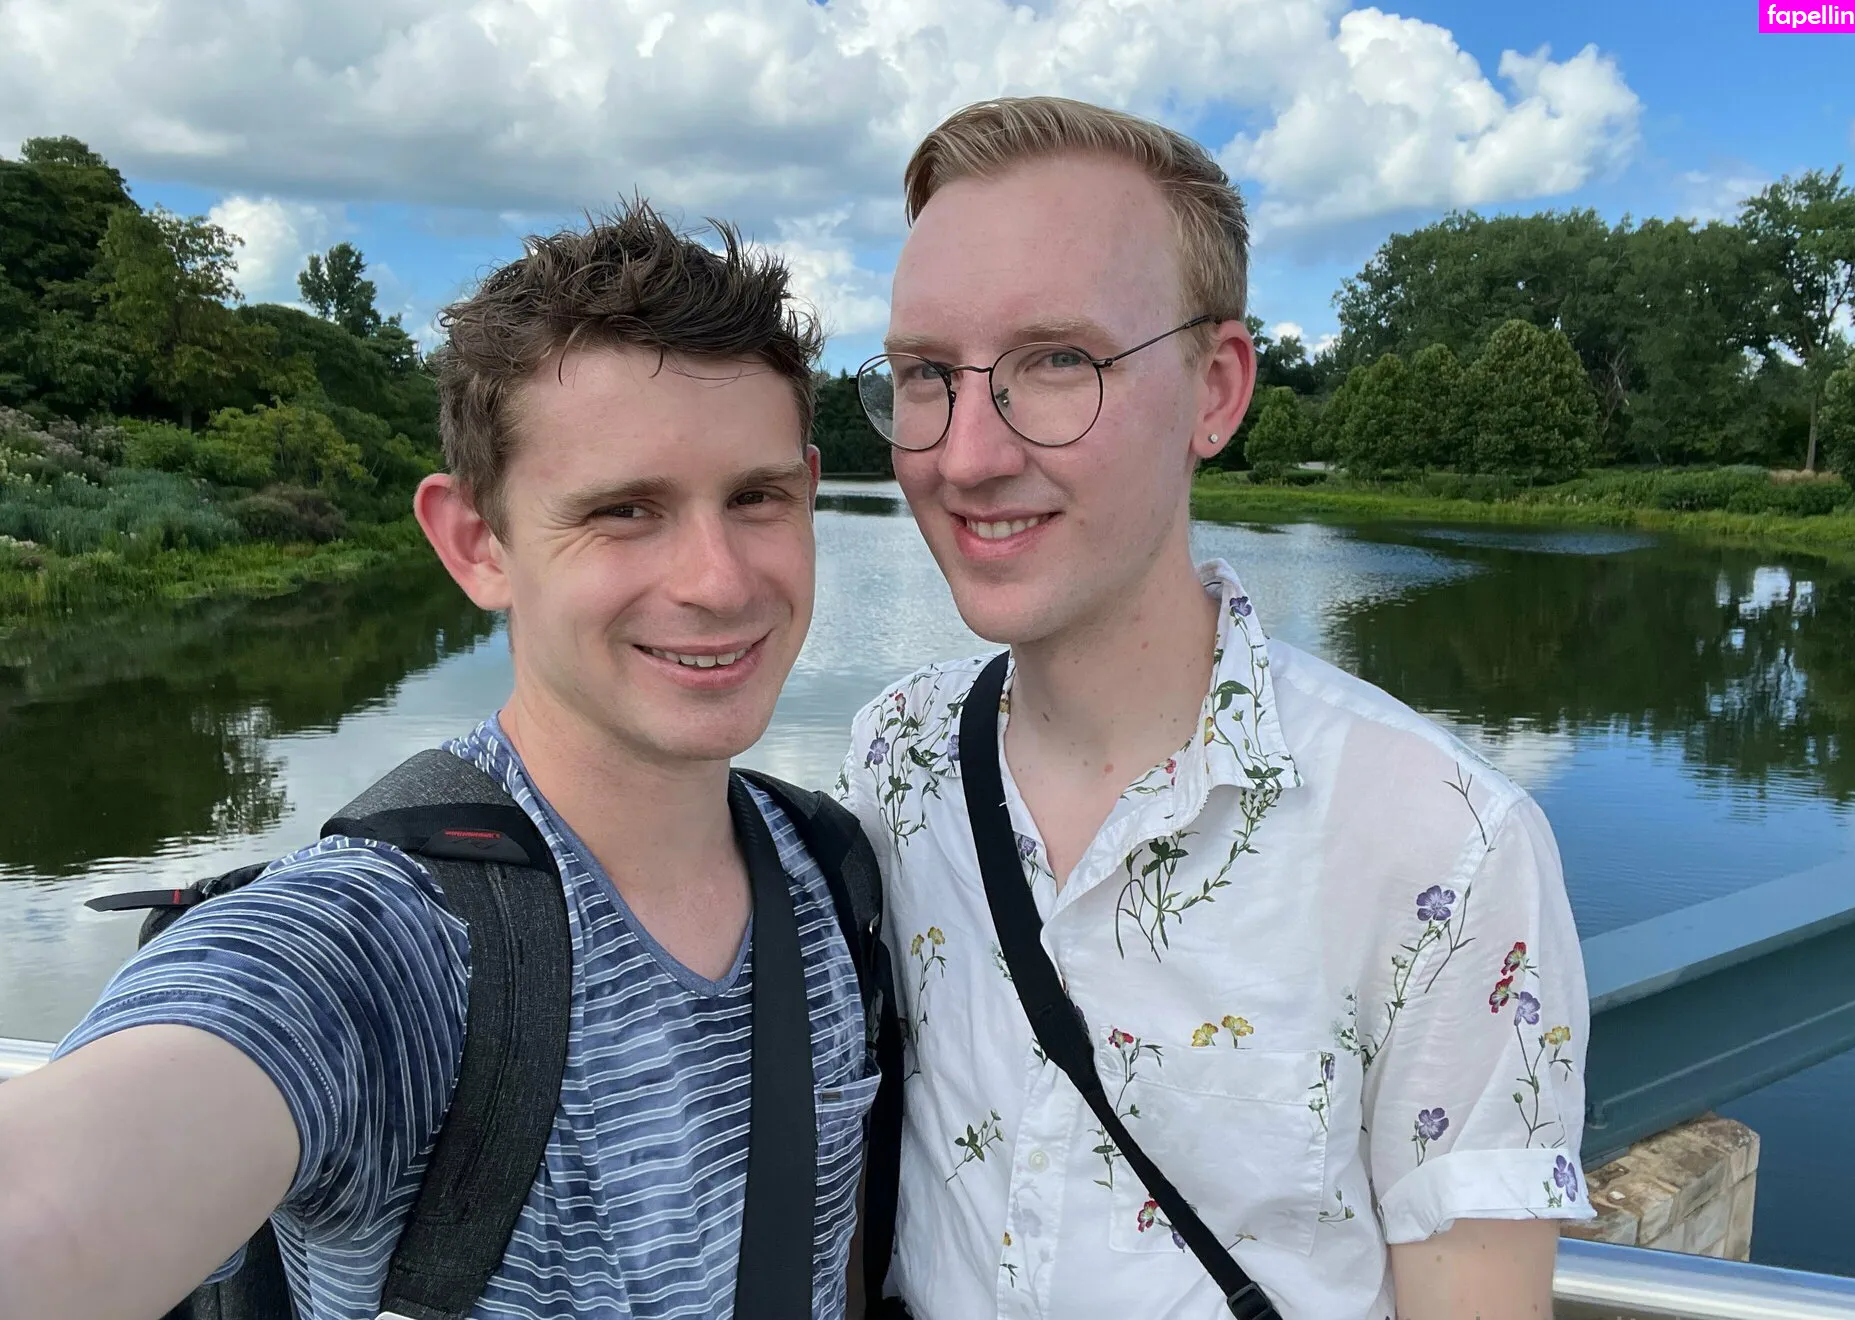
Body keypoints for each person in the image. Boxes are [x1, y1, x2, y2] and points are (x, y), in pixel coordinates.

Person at [0, 203, 883, 1320]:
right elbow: (61, 1196)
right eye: (623, 510)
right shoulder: (387, 939)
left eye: (756, 498)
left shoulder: (834, 872)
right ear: (476, 542)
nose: (719, 580)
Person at [836, 97, 1592, 1320]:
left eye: (1057, 361)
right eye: (930, 374)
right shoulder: (895, 760)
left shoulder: (1443, 847)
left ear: (1217, 391)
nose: (966, 455)